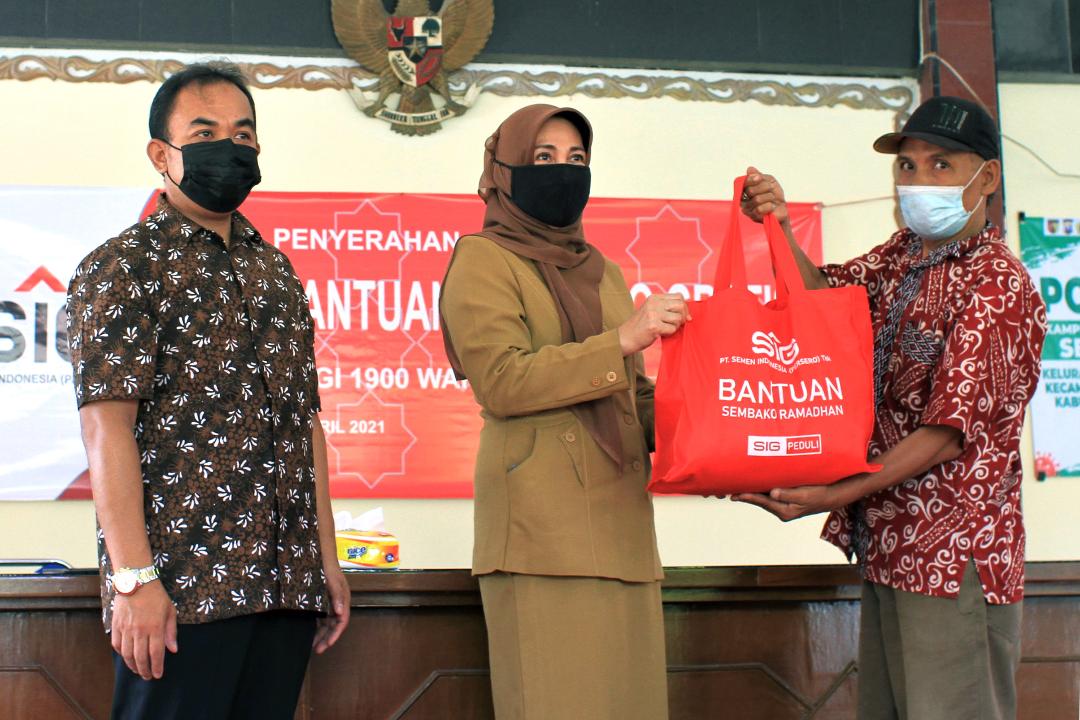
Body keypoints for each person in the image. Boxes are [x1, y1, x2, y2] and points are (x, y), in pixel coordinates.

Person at [736, 95, 1047, 719]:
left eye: (940, 165)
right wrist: (778, 226)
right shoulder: (902, 256)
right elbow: (822, 302)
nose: (918, 181)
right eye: (907, 165)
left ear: (987, 178)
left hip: (954, 558)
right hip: (889, 546)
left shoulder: (997, 284)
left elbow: (947, 433)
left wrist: (833, 493)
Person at [66, 62, 349, 719]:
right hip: (181, 592)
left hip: (285, 587)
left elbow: (303, 426)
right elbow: (106, 428)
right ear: (160, 154)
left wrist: (325, 561)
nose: (230, 146)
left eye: (243, 134)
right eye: (205, 132)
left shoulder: (275, 271)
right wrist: (134, 580)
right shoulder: (122, 266)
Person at [439, 104, 688, 719]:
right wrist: (621, 340)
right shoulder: (483, 258)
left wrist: (715, 425)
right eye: (544, 157)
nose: (563, 171)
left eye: (577, 159)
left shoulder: (602, 271)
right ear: (505, 170)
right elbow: (502, 381)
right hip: (542, 535)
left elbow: (631, 397)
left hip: (624, 530)